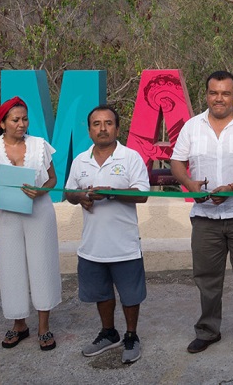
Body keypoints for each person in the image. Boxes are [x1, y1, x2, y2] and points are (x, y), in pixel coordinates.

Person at [170, 71, 233, 355]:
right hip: (205, 217)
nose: (219, 98)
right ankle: (208, 331)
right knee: (206, 278)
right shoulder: (191, 127)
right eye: (214, 93)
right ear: (206, 95)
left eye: (225, 93)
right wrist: (189, 184)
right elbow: (177, 162)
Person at [0, 97, 62, 351]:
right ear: (2, 123)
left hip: (39, 212)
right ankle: (19, 323)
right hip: (6, 215)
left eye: (25, 119)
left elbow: (52, 179)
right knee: (11, 267)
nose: (22, 124)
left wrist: (41, 191)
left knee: (42, 265)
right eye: (15, 120)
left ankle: (44, 326)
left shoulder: (40, 145)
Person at [65, 106, 150, 363]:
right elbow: (68, 192)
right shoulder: (80, 160)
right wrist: (79, 197)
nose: (102, 128)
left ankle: (131, 335)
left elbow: (143, 194)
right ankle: (109, 333)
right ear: (89, 129)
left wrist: (111, 192)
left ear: (117, 127)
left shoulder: (131, 157)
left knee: (130, 294)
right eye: (96, 124)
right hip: (92, 245)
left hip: (124, 244)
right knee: (101, 293)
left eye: (108, 123)